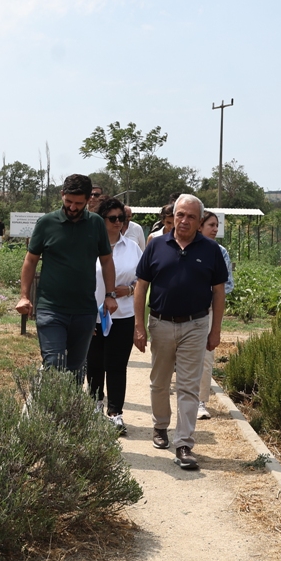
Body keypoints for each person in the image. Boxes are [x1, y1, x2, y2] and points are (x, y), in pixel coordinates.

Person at [131, 194, 228, 471]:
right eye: (180, 215)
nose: (184, 220)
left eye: (191, 217)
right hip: (161, 323)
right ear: (173, 216)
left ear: (199, 221)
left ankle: (184, 443)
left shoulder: (211, 250)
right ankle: (160, 425)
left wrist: (215, 330)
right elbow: (141, 286)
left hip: (196, 325)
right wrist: (139, 326)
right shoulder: (156, 245)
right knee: (159, 381)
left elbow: (218, 292)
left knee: (188, 385)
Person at [17, 174, 118, 376]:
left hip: (84, 310)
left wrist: (110, 295)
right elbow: (30, 260)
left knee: (75, 370)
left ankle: (71, 399)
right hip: (51, 309)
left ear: (88, 199)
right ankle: (51, 397)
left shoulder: (96, 224)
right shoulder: (46, 223)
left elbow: (106, 261)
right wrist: (24, 296)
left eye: (78, 203)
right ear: (62, 194)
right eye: (69, 201)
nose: (72, 207)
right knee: (54, 364)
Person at [87, 197, 141, 433]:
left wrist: (129, 290)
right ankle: (94, 406)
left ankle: (115, 413)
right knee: (94, 363)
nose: (118, 222)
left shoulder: (133, 248)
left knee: (117, 365)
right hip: (93, 315)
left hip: (123, 315)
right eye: (113, 218)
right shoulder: (89, 246)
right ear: (101, 220)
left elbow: (143, 280)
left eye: (122, 218)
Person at [195, 210, 235, 420]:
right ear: (200, 226)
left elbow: (227, 285)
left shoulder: (221, 252)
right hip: (183, 312)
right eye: (211, 225)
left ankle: (200, 402)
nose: (215, 229)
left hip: (208, 311)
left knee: (206, 357)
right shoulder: (186, 248)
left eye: (216, 225)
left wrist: (209, 296)